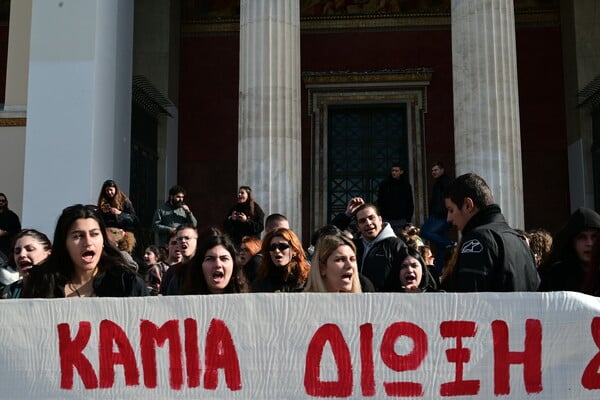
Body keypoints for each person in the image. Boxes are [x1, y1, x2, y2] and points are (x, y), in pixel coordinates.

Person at [440, 173, 539, 292]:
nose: (449, 219)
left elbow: (469, 300)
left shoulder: (478, 240)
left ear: (468, 205)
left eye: (451, 210)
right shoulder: (520, 241)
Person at [22, 204, 147, 298]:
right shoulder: (42, 283)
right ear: (64, 243)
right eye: (78, 236)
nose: (88, 242)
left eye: (94, 234)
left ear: (103, 241)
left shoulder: (127, 282)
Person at [332, 198, 407, 291]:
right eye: (362, 221)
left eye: (371, 218)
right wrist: (347, 215)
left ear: (380, 219)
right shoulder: (353, 246)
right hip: (354, 301)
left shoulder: (395, 245)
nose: (368, 223)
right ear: (358, 227)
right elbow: (325, 238)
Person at [539, 208, 600, 294]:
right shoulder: (556, 276)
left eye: (594, 237)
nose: (589, 243)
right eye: (582, 237)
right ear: (572, 242)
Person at [178, 233, 248, 295]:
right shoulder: (185, 305)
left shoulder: (246, 304)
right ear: (200, 266)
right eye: (210, 259)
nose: (218, 264)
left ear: (234, 265)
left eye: (224, 259)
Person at [252, 228, 310, 292]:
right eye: (272, 247)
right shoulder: (262, 279)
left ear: (294, 250)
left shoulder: (307, 277)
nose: (277, 251)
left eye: (282, 246)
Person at [420, 162, 454, 272]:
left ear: (442, 170)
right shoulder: (439, 182)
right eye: (432, 170)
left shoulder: (445, 182)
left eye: (436, 170)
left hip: (441, 216)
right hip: (440, 215)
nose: (433, 172)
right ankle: (439, 271)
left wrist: (443, 212)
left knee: (424, 232)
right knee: (440, 248)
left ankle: (450, 243)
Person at [2, 229, 52, 299]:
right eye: (17, 252)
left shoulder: (63, 288)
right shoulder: (7, 293)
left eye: (30, 249)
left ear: (48, 254)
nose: (22, 255)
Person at [161, 224, 199, 295]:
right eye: (179, 239)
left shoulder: (204, 269)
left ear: (196, 241)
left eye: (187, 238)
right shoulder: (171, 272)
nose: (183, 241)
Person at [376, 163, 414, 233]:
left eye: (396, 171)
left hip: (401, 219)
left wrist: (408, 219)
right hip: (387, 219)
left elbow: (409, 202)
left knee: (400, 239)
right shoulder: (384, 185)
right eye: (393, 171)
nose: (394, 172)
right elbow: (380, 201)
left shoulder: (406, 185)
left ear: (401, 172)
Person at [0, 193, 21, 262]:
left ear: (6, 202)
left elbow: (17, 231)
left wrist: (5, 233)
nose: (1, 202)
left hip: (5, 247)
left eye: (3, 201)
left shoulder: (12, 216)